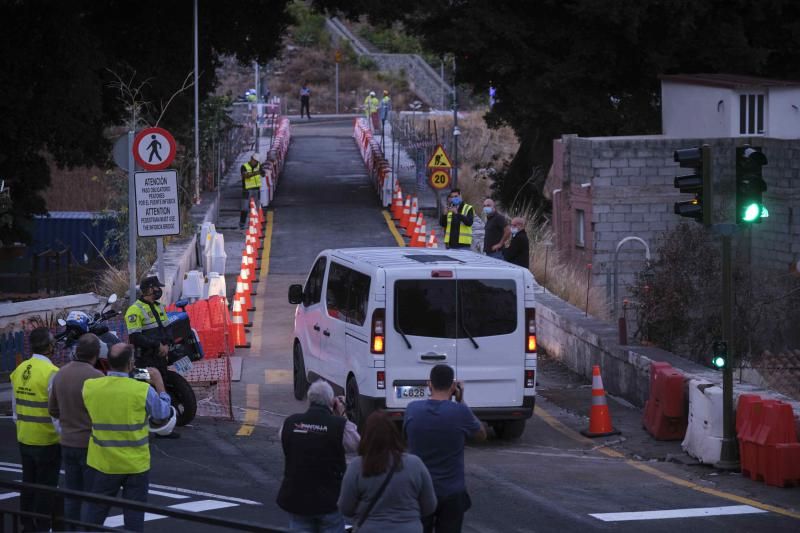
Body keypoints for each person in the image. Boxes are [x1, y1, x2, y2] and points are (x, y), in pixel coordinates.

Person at [82, 343, 173, 532]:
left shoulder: (90, 386)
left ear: (107, 362)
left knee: (95, 513)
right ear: (132, 364)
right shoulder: (142, 390)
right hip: (135, 465)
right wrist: (159, 384)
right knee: (134, 516)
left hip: (103, 462)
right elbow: (162, 414)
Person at [404, 365, 486, 533]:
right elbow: (481, 435)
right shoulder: (460, 412)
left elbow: (406, 434)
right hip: (451, 492)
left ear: (429, 384)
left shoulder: (412, 409)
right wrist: (460, 399)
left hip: (420, 489)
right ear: (452, 387)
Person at [277, 380, 360, 532]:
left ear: (309, 400)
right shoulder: (340, 426)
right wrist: (341, 414)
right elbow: (356, 443)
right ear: (332, 401)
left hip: (297, 500)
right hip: (328, 501)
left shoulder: (289, 423)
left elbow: (284, 439)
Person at [339, 411, 437, 533]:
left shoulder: (357, 466)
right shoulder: (415, 464)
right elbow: (430, 506)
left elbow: (345, 508)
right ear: (394, 434)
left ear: (365, 436)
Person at [49, 333, 104, 530]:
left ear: (76, 351)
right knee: (90, 496)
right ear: (96, 354)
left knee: (71, 494)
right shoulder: (97, 377)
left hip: (67, 442)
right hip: (89, 444)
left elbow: (52, 410)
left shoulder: (61, 374)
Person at [11, 327, 62, 532]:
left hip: (25, 436)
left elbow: (15, 411)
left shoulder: (20, 369)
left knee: (28, 482)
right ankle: (42, 525)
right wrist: (62, 436)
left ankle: (26, 524)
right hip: (47, 440)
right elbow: (55, 413)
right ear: (51, 347)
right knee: (46, 487)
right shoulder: (52, 373)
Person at [239, 153, 264, 229]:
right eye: (254, 160)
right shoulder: (244, 167)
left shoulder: (259, 166)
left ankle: (255, 224)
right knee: (244, 208)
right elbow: (245, 175)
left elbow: (263, 174)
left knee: (256, 208)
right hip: (247, 190)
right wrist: (257, 173)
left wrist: (263, 172)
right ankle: (242, 224)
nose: (255, 162)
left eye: (256, 161)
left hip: (256, 189)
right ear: (251, 159)